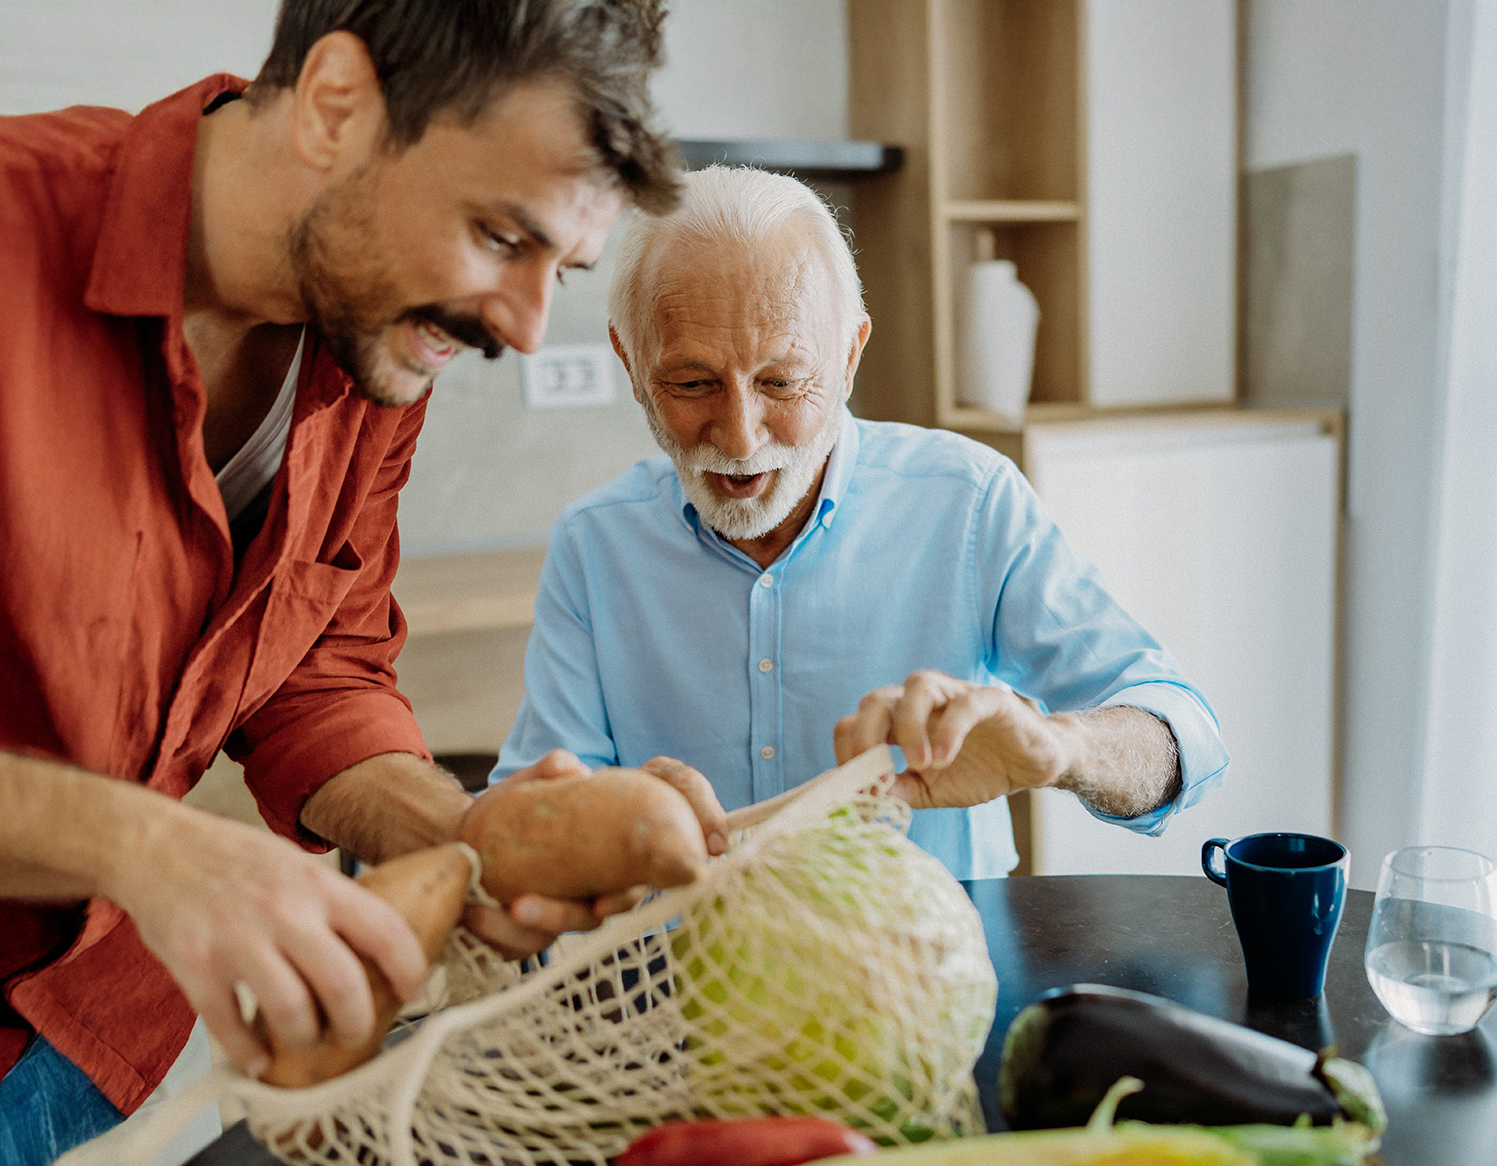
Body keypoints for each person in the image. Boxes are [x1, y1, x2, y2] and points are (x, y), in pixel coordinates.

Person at [0, 3, 725, 1161]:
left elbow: (319, 669)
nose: (524, 327)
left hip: (86, 1045)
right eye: (501, 235)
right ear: (336, 106)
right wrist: (149, 846)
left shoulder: (372, 335)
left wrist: (462, 831)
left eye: (562, 267)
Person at [494, 166, 1229, 880]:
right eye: (692, 383)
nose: (741, 436)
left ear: (849, 358)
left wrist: (1061, 747)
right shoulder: (595, 545)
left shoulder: (967, 502)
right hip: (684, 962)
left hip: (933, 957)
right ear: (630, 365)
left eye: (783, 382)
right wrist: (595, 821)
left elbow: (1184, 735)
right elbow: (525, 823)